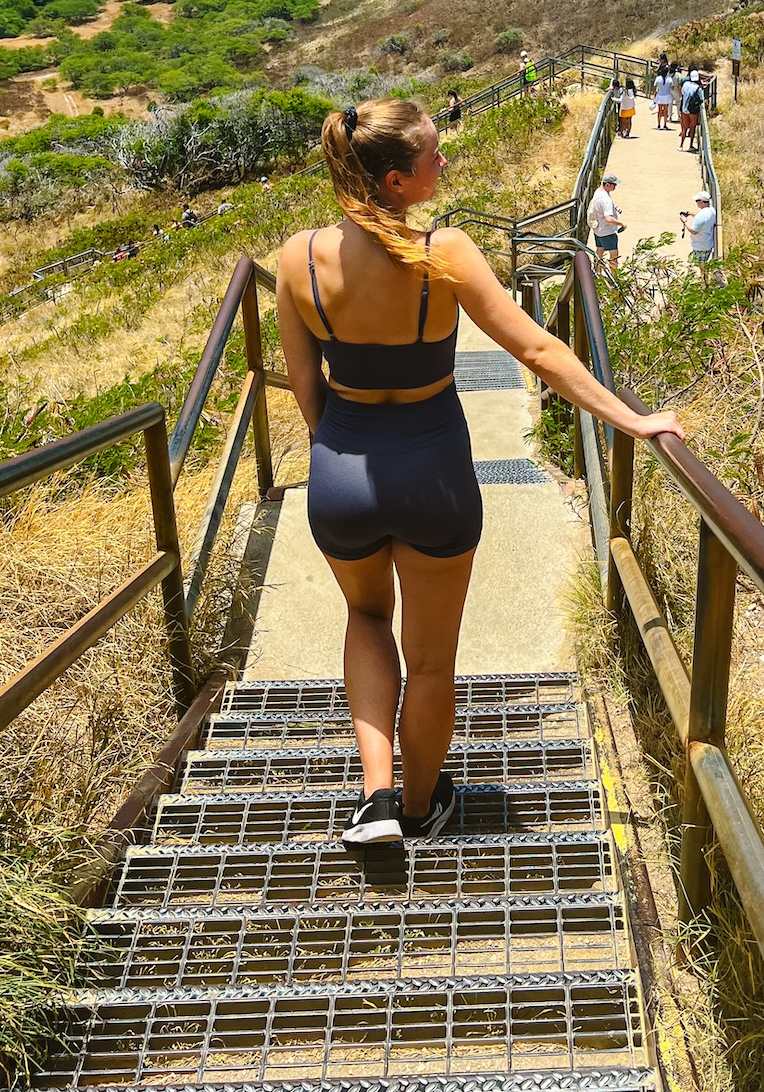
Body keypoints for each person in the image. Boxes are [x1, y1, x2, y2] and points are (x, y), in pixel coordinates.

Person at [277, 106, 680, 846]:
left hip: (342, 470)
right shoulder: (446, 252)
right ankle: (423, 809)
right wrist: (631, 419)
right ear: (397, 181)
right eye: (434, 158)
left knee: (366, 620)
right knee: (432, 662)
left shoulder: (298, 258)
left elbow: (307, 392)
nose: (444, 166)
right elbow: (539, 352)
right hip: (433, 471)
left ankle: (375, 801)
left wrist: (342, 448)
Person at [587, 169, 625, 272]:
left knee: (600, 250)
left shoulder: (599, 192)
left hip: (598, 230)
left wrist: (615, 207)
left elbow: (601, 205)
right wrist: (621, 224)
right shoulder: (606, 200)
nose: (615, 187)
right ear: (608, 184)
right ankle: (614, 277)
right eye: (614, 185)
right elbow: (608, 219)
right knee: (614, 255)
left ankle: (597, 272)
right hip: (607, 231)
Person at [680, 189, 717, 264]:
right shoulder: (711, 210)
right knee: (703, 265)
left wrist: (684, 221)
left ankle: (703, 276)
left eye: (697, 201)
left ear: (701, 202)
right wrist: (692, 214)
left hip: (700, 246)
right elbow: (705, 219)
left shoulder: (702, 216)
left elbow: (693, 231)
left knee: (701, 266)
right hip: (707, 242)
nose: (696, 203)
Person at [678, 70, 704, 151]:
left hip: (684, 109)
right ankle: (690, 146)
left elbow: (682, 93)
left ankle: (681, 145)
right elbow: (702, 99)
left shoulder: (685, 84)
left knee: (684, 128)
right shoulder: (697, 88)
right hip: (693, 110)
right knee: (692, 128)